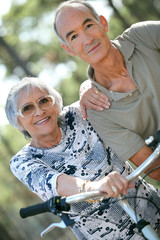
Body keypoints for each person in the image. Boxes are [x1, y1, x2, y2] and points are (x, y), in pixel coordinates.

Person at [5, 77, 160, 239]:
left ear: (56, 105)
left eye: (44, 101)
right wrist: (94, 187)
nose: (39, 111)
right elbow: (58, 183)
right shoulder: (22, 161)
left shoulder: (79, 113)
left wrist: (88, 86)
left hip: (154, 206)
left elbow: (106, 85)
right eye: (27, 108)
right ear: (18, 122)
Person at [53, 0, 160, 181]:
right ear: (68, 49)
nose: (87, 40)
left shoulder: (142, 36)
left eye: (88, 25)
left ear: (103, 23)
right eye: (74, 37)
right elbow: (155, 170)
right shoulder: (97, 112)